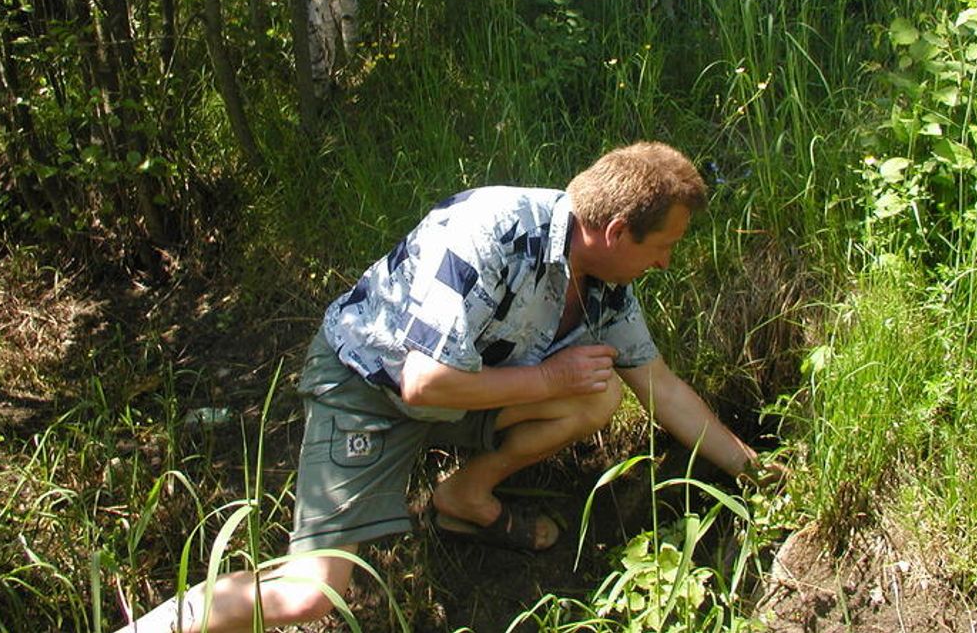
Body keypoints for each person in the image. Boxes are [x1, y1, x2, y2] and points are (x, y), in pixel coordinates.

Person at [115, 141, 779, 633]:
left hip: (464, 390)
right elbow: (422, 383)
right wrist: (549, 376)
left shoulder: (606, 284)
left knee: (600, 393)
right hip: (367, 391)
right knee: (309, 594)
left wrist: (759, 474)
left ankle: (463, 496)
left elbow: (660, 387)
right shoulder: (491, 230)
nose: (665, 261)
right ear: (614, 231)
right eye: (663, 245)